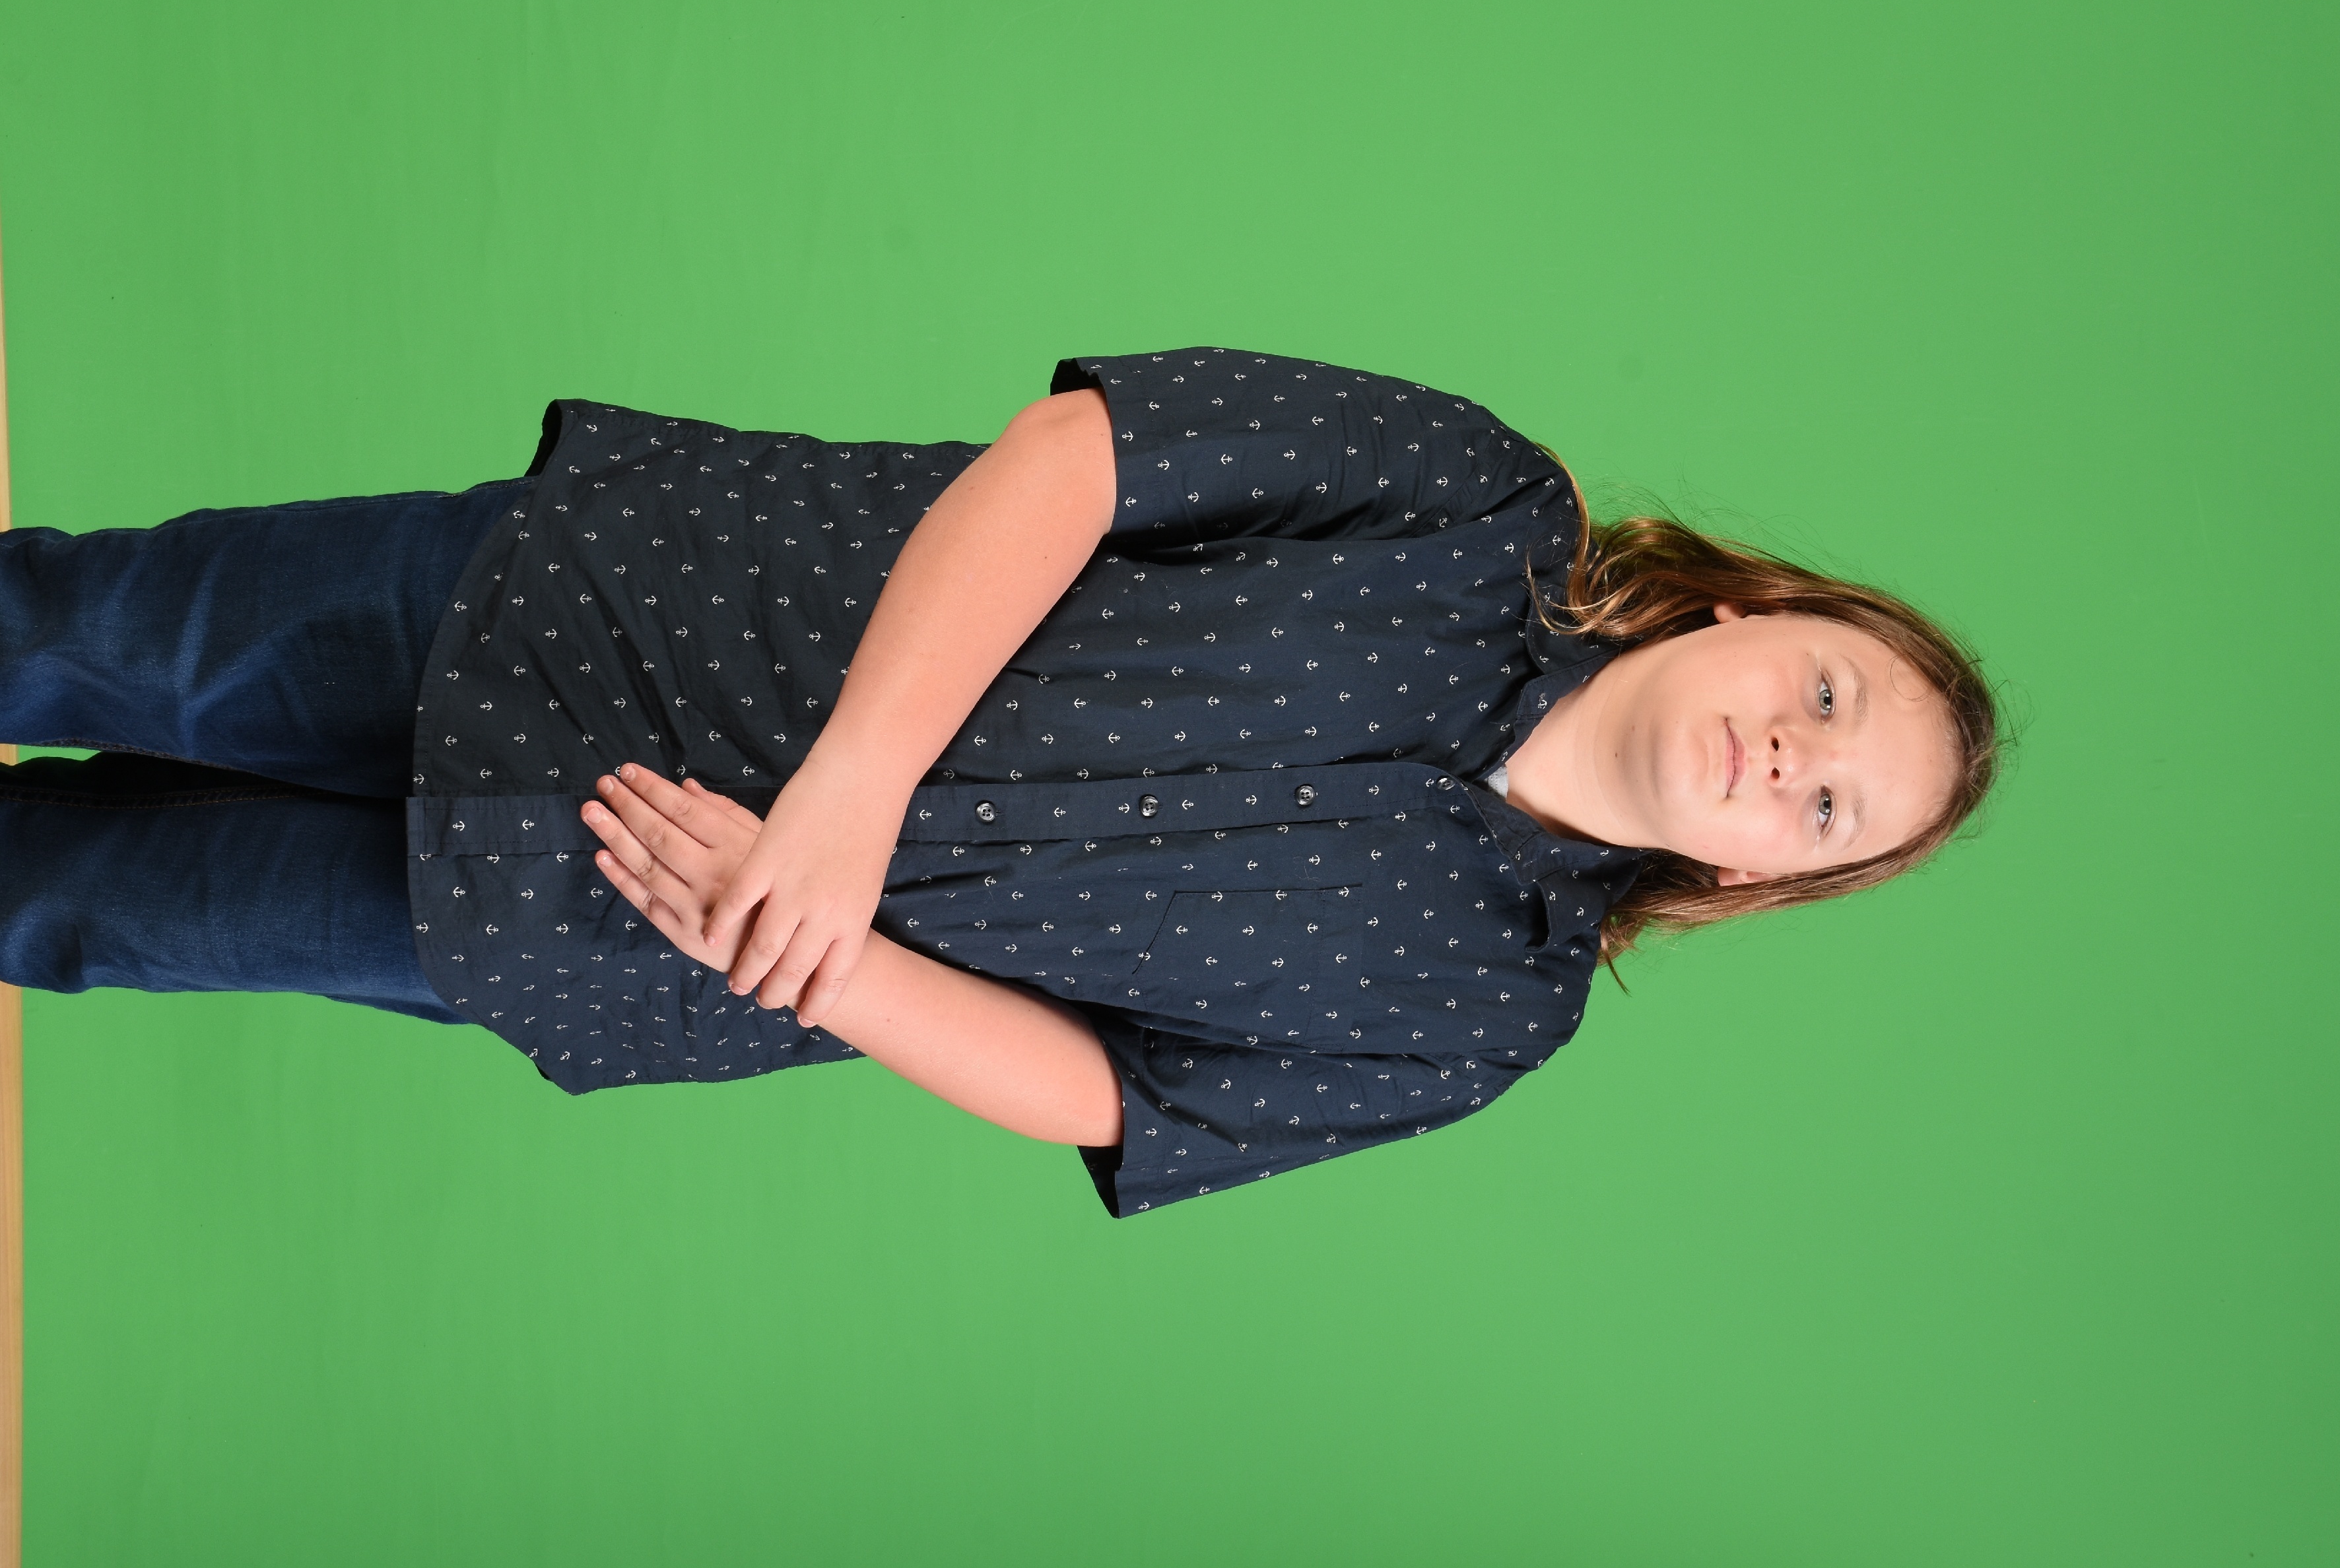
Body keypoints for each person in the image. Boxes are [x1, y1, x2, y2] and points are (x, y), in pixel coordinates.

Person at [0, 348, 1999, 1214]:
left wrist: (826, 954)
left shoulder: (1486, 1017)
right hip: (609, 598)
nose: (1789, 757)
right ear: (1752, 611)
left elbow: (1122, 1101)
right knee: (87, 629)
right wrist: (850, 799)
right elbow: (1082, 455)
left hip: (633, 917)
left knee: (89, 909)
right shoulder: (1477, 493)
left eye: (1827, 807)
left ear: (1764, 878)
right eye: (1826, 694)